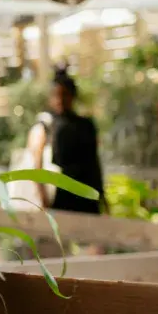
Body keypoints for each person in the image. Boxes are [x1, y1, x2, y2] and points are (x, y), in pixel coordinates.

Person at [29, 67, 105, 214]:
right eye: (56, 95)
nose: (60, 100)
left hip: (86, 193)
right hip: (60, 196)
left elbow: (94, 162)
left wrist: (101, 195)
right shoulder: (46, 125)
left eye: (65, 94)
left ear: (73, 96)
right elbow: (37, 165)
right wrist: (43, 198)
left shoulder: (86, 125)